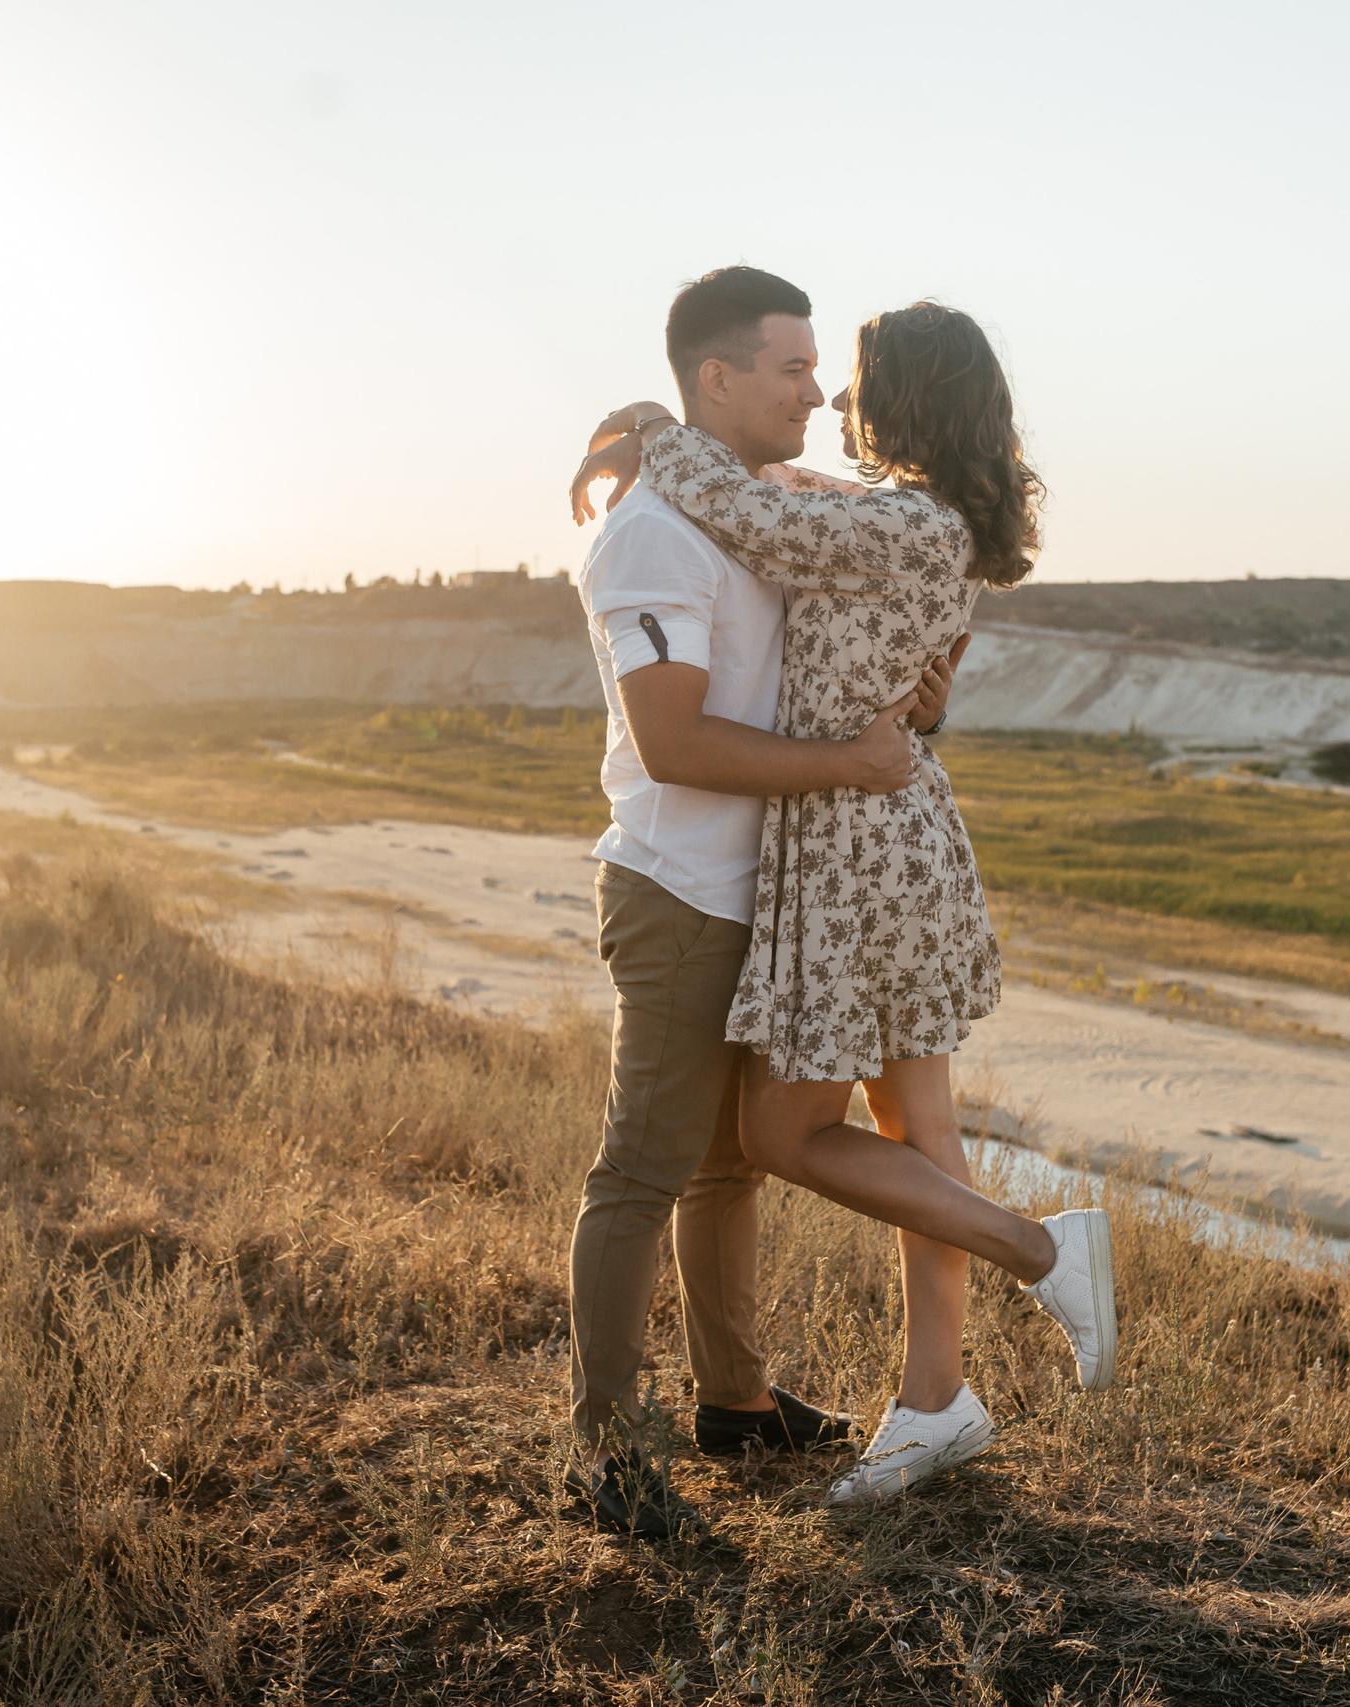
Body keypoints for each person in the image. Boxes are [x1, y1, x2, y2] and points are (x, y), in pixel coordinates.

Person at [571, 284, 1116, 1509]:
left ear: (903, 399)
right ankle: (929, 1400)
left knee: (777, 1139)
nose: (826, 396)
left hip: (855, 852)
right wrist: (664, 437)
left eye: (842, 376)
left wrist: (653, 428)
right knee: (892, 1130)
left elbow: (751, 505)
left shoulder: (880, 527)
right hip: (847, 841)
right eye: (800, 371)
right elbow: (772, 521)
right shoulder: (885, 521)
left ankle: (1015, 1284)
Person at [560, 267, 968, 1538]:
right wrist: (850, 764)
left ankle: (733, 1402)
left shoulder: (761, 501)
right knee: (644, 1169)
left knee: (728, 1169)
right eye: (790, 369)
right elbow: (675, 743)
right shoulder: (649, 533)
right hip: (683, 888)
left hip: (781, 896)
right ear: (717, 379)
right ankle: (610, 1459)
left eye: (816, 366)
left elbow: (893, 566)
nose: (819, 391)